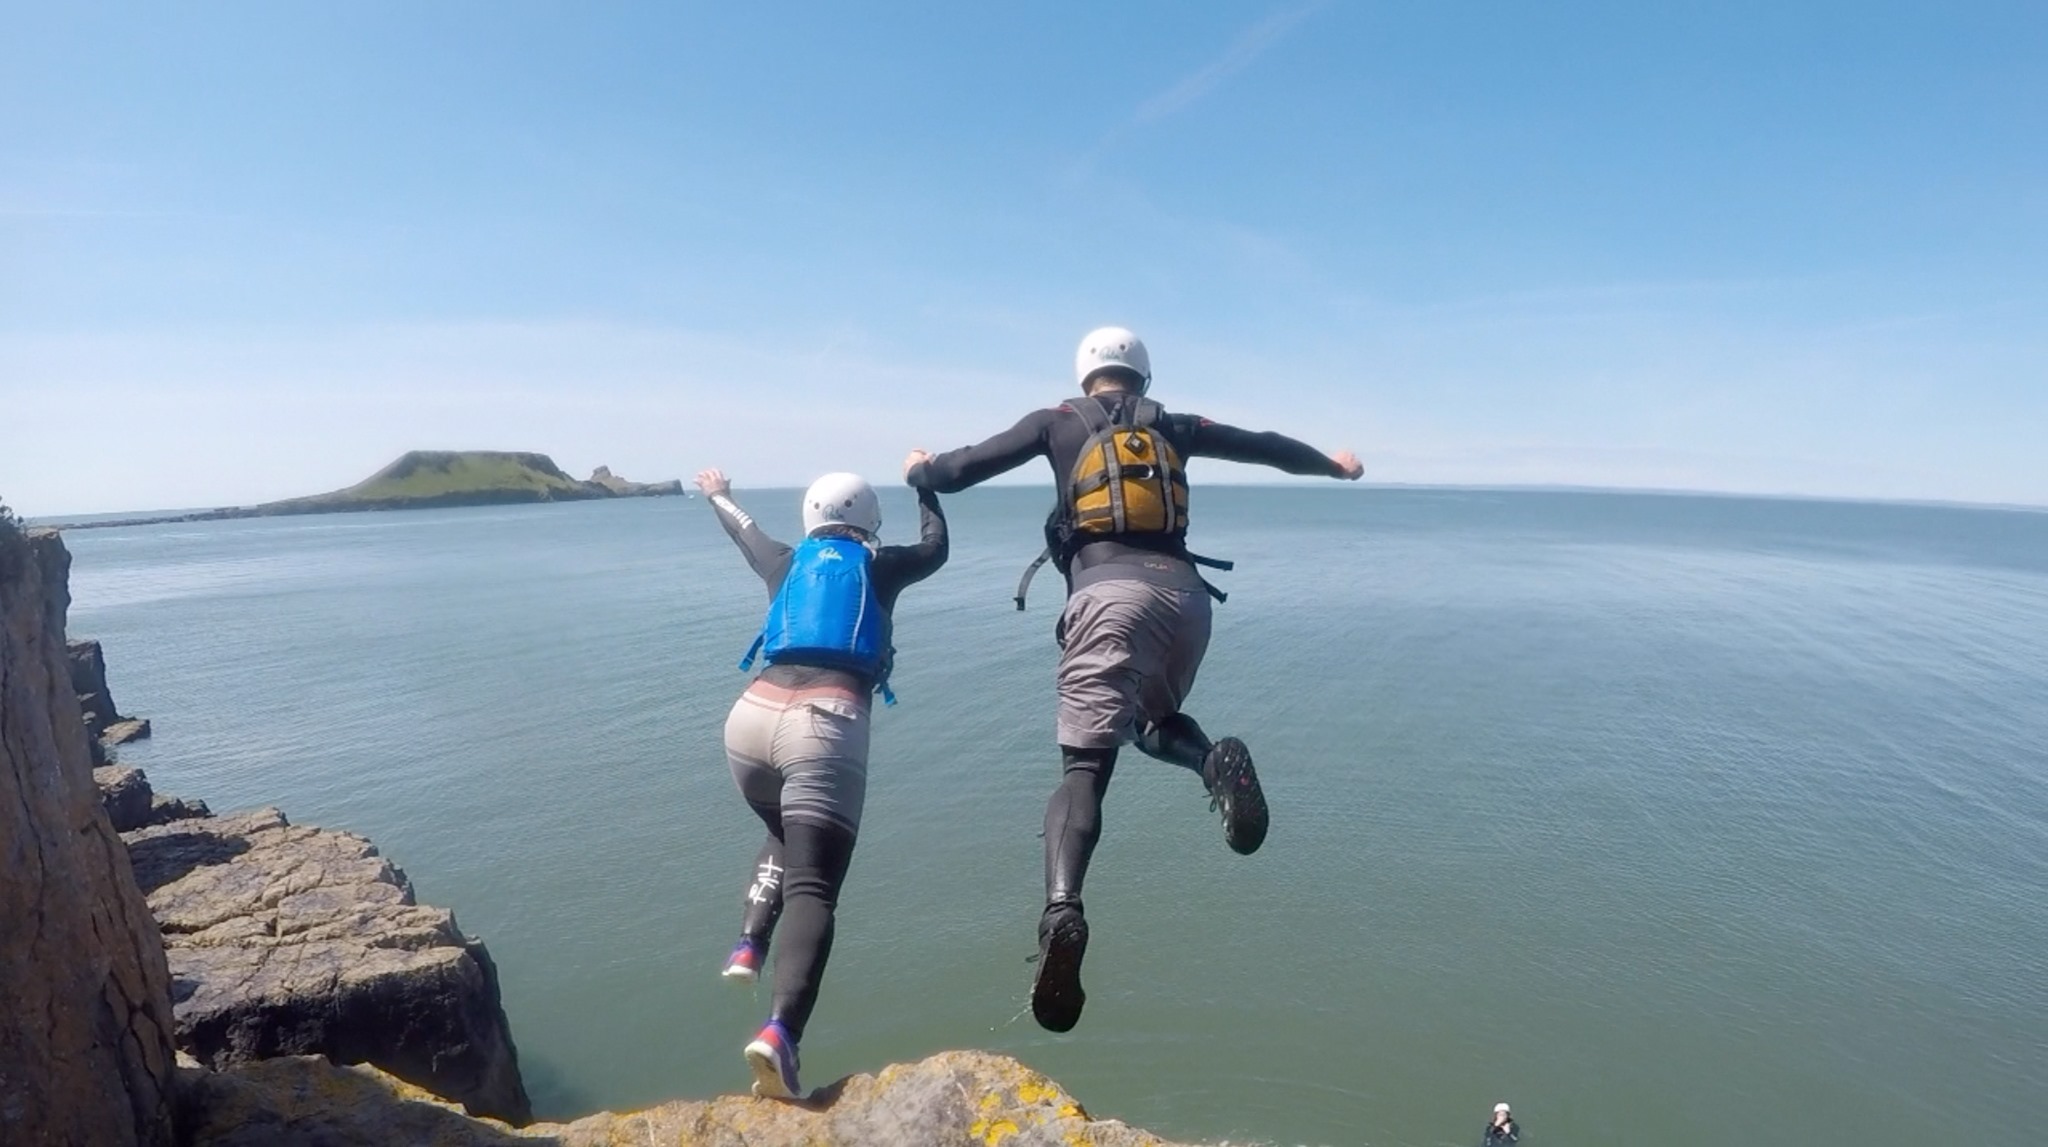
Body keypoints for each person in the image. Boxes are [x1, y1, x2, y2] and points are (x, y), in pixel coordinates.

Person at [902, 326, 1362, 1032]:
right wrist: (1333, 465)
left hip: (1108, 598)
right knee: (1150, 723)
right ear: (1141, 376)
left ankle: (1063, 911)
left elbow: (961, 469)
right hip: (1186, 601)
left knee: (1084, 770)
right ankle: (1212, 760)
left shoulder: (1055, 423)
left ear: (1085, 374)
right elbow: (1263, 443)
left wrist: (920, 471)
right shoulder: (1173, 426)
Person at [696, 467, 948, 1098]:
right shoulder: (882, 566)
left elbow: (742, 530)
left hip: (749, 718)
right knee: (815, 888)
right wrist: (926, 484)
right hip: (824, 725)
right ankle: (781, 1035)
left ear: (811, 517)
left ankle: (750, 943)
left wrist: (717, 492)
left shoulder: (785, 560)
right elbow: (937, 547)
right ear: (870, 522)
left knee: (785, 830)